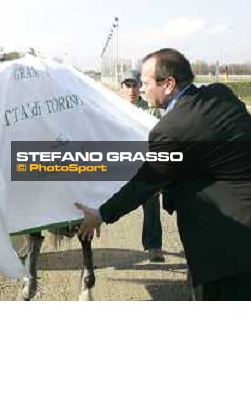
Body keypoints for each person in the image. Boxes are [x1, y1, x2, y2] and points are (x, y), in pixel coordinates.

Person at [78, 48, 251, 300]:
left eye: (146, 83)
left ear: (168, 84)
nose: (142, 88)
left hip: (224, 249)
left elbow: (144, 183)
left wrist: (101, 214)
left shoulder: (170, 130)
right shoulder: (220, 94)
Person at [120, 69, 165, 262]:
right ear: (122, 88)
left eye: (135, 85)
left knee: (151, 200)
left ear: (140, 87)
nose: (131, 90)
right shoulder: (114, 109)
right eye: (127, 85)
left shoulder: (151, 110)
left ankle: (154, 246)